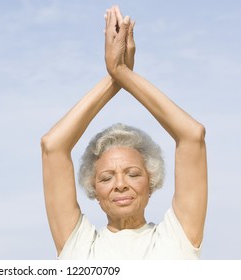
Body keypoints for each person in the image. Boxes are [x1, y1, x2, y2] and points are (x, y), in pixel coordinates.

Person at [40, 5, 207, 259]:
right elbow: (52, 146)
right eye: (106, 178)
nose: (120, 185)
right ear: (94, 189)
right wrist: (115, 77)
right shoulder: (79, 246)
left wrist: (122, 73)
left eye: (132, 174)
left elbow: (192, 136)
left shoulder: (177, 239)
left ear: (150, 182)